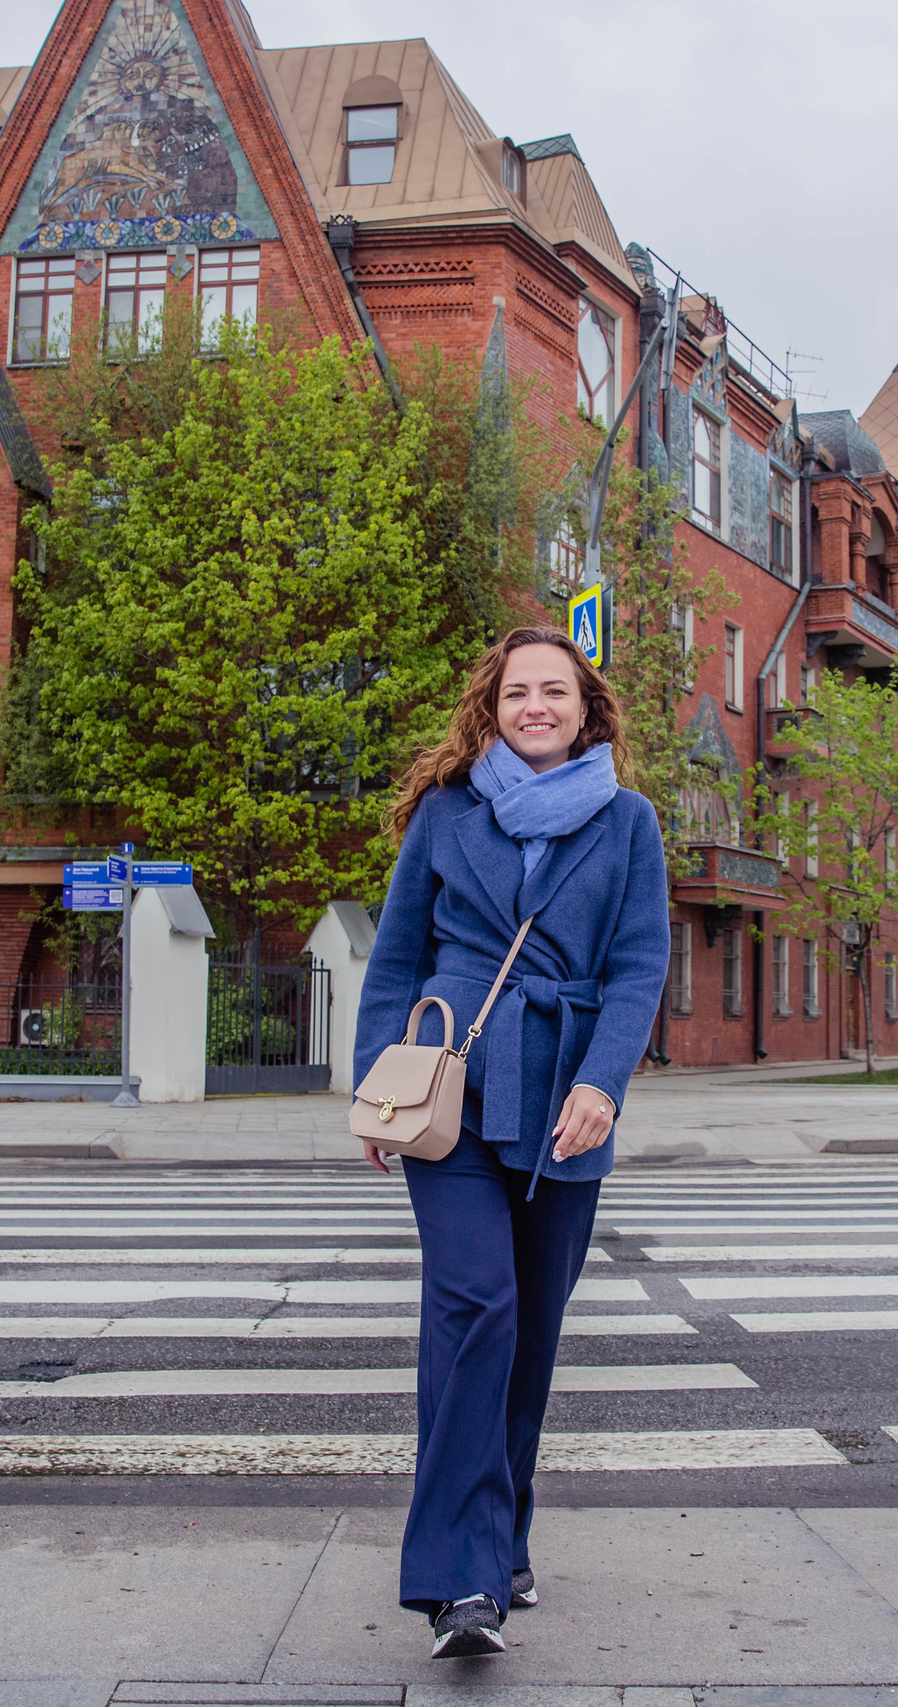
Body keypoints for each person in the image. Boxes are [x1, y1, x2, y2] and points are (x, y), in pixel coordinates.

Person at [353, 625, 669, 1660]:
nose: (536, 706)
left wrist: (603, 1085)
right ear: (492, 707)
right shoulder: (446, 815)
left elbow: (636, 966)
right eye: (518, 691)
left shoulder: (628, 824)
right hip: (452, 1092)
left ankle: (503, 1537)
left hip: (564, 1108)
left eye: (556, 691)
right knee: (474, 1306)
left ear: (587, 709)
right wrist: (376, 1085)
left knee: (528, 1335)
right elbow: (397, 956)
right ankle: (459, 1582)